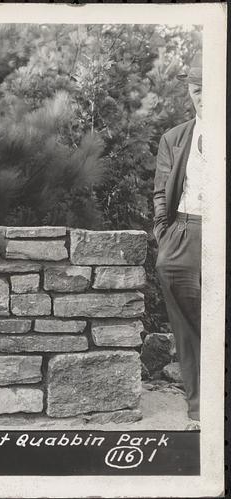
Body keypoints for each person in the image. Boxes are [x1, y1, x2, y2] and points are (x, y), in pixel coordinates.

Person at [152, 51, 202, 426]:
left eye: (208, 88)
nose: (201, 95)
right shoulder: (174, 138)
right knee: (186, 330)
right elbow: (160, 191)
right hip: (184, 233)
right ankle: (199, 411)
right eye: (195, 88)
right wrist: (163, 234)